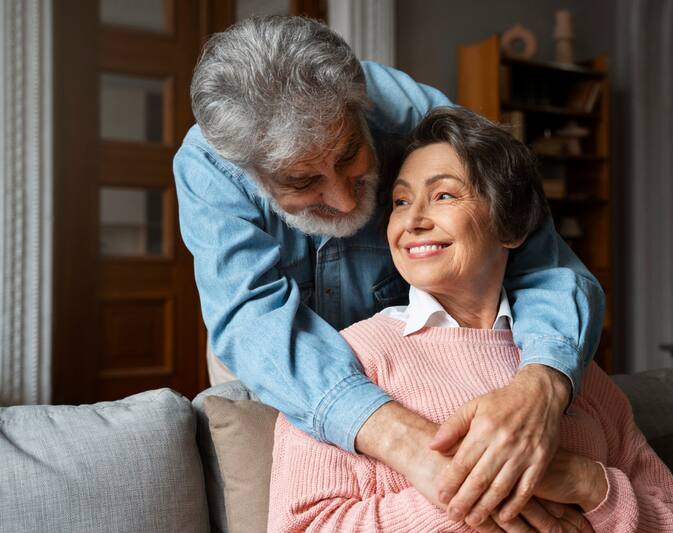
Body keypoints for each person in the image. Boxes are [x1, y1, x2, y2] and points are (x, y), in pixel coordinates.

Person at [174, 16, 605, 528]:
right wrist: (425, 457)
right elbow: (252, 319)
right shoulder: (210, 163)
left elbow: (543, 259)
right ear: (249, 169)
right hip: (271, 347)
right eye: (302, 180)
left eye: (350, 154)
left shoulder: (418, 117)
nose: (341, 198)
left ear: (360, 108)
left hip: (404, 341)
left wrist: (542, 384)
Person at [267, 106, 673, 532]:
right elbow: (303, 526)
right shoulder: (342, 365)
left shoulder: (574, 373)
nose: (414, 220)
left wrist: (583, 481)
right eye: (401, 201)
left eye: (444, 195)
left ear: (510, 226)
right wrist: (482, 493)